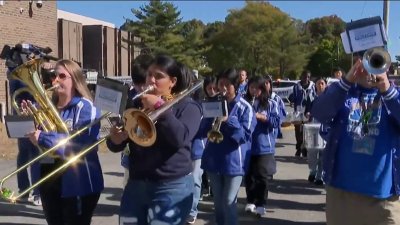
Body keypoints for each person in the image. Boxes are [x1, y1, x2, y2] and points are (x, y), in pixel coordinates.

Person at [107, 54, 202, 225]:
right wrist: (116, 139)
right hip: (137, 185)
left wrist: (160, 107)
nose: (151, 80)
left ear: (172, 81)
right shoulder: (137, 104)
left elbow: (180, 139)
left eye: (158, 76)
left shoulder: (188, 107)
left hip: (172, 187)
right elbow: (120, 143)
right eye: (149, 74)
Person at [311, 58, 400, 225]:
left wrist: (387, 90)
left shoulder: (393, 95)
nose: (370, 71)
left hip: (384, 199)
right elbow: (320, 112)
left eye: (376, 65)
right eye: (366, 65)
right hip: (342, 195)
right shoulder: (342, 93)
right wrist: (346, 81)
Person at [25, 59, 104, 225]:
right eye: (55, 76)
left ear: (75, 80)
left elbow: (80, 144)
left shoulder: (85, 107)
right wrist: (29, 123)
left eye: (62, 76)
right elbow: (44, 146)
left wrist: (43, 137)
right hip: (49, 176)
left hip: (78, 181)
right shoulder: (48, 107)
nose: (56, 80)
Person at [201, 68, 256, 225]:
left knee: (229, 201)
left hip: (234, 162)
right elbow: (203, 131)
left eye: (227, 84)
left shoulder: (246, 107)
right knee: (218, 203)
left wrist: (229, 120)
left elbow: (245, 136)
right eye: (220, 84)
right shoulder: (213, 102)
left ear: (236, 86)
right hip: (213, 159)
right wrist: (208, 119)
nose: (223, 88)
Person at [244, 76, 280, 217]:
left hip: (264, 146)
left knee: (262, 176)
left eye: (257, 88)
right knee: (249, 175)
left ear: (262, 89)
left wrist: (262, 117)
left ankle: (261, 203)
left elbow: (276, 121)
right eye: (251, 87)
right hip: (247, 146)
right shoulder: (245, 102)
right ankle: (251, 200)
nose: (254, 91)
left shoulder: (271, 104)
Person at [187, 76, 218, 224]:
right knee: (192, 180)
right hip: (191, 147)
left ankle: (193, 211)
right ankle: (190, 210)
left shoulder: (221, 103)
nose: (212, 91)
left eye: (214, 88)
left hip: (204, 147)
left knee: (196, 180)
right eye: (209, 88)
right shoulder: (197, 103)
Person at [121, 59, 152, 187]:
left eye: (145, 83)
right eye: (138, 84)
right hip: (133, 156)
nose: (142, 89)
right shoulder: (130, 98)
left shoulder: (162, 99)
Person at [304, 77, 327, 186]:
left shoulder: (330, 98)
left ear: (325, 85)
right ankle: (312, 171)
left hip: (325, 128)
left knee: (323, 153)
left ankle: (320, 176)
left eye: (322, 83)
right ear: (315, 85)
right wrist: (308, 113)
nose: (320, 85)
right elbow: (307, 110)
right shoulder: (311, 97)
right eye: (319, 83)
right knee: (312, 153)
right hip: (313, 127)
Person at [291, 71, 315, 157]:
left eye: (308, 77)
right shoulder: (296, 86)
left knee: (307, 131)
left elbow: (314, 98)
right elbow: (293, 96)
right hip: (298, 111)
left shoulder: (312, 86)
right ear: (301, 77)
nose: (306, 79)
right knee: (298, 131)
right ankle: (298, 148)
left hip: (308, 112)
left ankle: (305, 149)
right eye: (304, 77)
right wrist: (292, 101)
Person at [266, 75, 287, 139]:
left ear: (270, 84)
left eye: (267, 83)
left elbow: (282, 113)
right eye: (262, 83)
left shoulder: (276, 98)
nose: (265, 85)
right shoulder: (256, 99)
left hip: (272, 130)